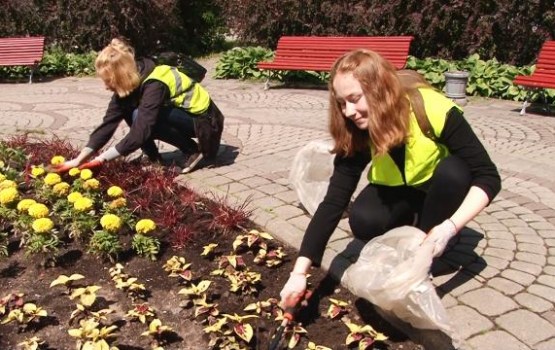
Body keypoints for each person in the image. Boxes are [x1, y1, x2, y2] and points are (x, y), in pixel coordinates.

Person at [279, 49, 501, 307]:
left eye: (354, 98)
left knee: (456, 170)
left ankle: (429, 240)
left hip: (441, 187)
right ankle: (416, 224)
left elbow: (488, 176)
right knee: (363, 221)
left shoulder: (432, 108)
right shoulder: (357, 128)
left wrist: (448, 228)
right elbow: (333, 202)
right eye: (341, 102)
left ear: (378, 90)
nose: (348, 111)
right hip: (399, 190)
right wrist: (299, 273)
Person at [55, 38, 224, 174]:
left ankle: (191, 150)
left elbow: (141, 130)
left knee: (140, 116)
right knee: (131, 110)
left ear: (121, 75)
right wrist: (79, 159)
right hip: (185, 116)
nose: (106, 86)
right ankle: (153, 157)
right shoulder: (132, 81)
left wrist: (101, 159)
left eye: (108, 81)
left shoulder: (155, 83)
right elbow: (107, 125)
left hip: (206, 122)